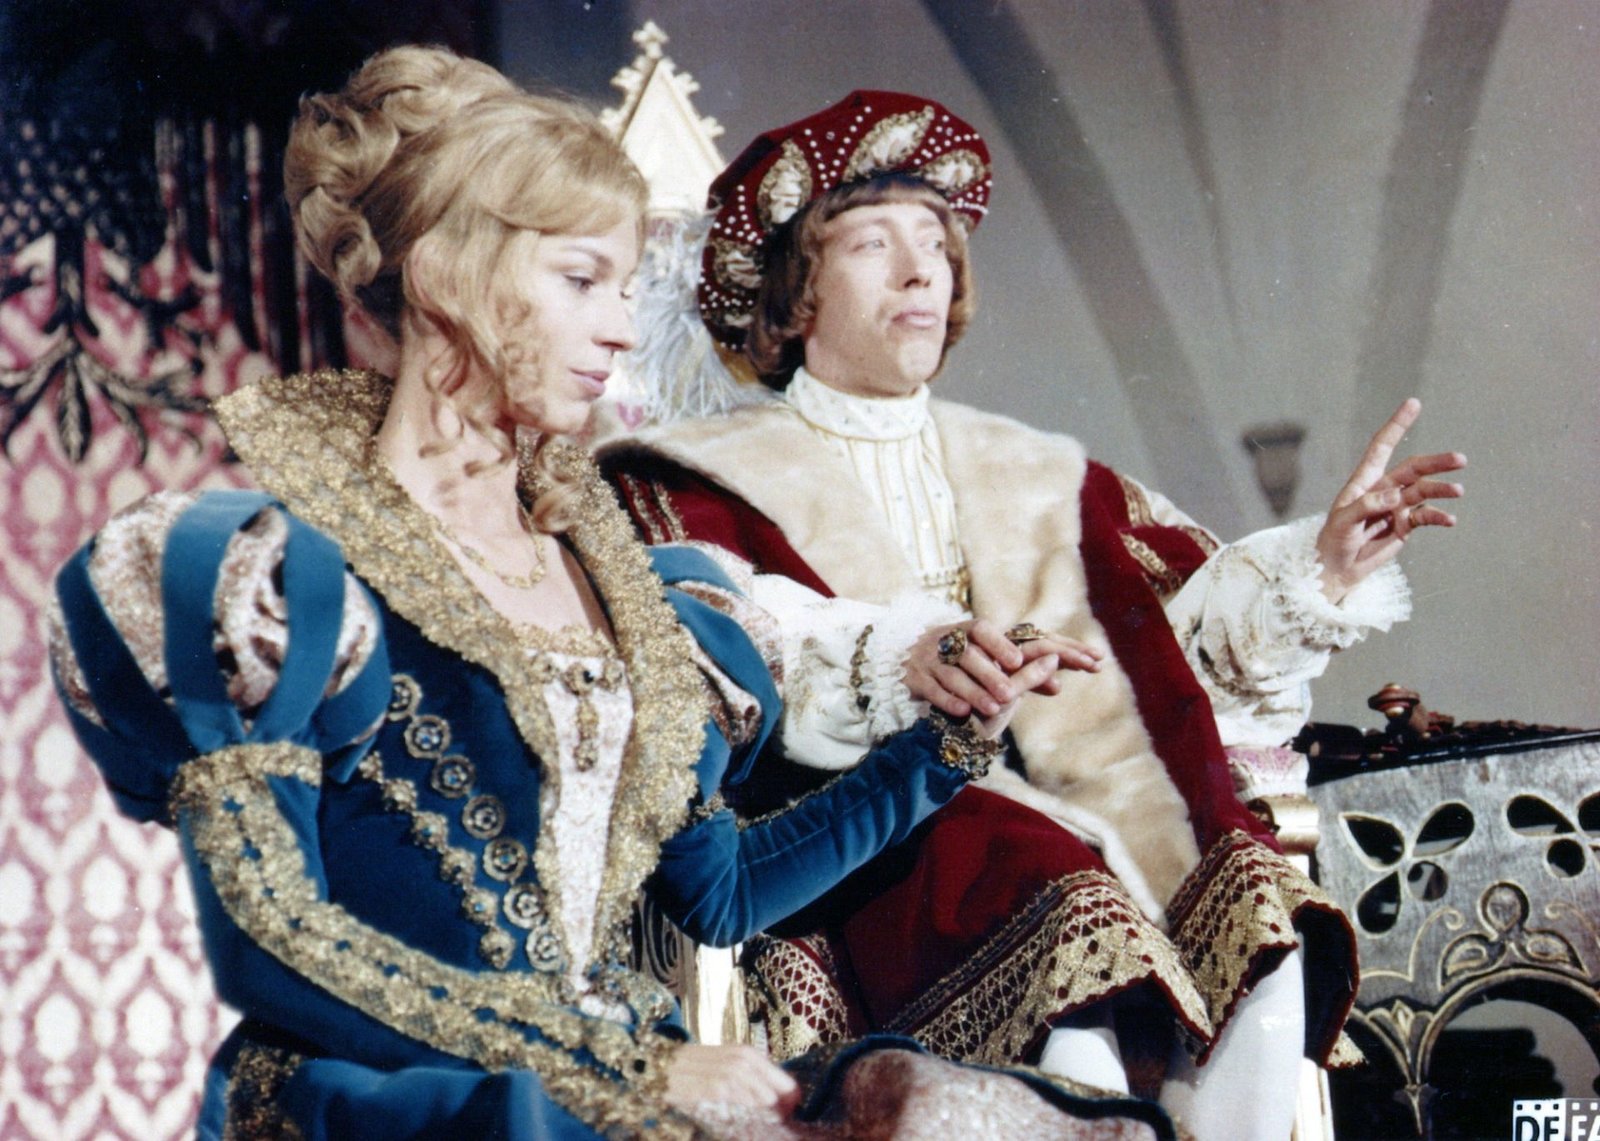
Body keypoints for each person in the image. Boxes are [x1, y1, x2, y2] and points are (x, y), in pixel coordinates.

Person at [46, 56, 1182, 1140]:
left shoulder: (631, 585)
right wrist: (611, 1065)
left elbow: (721, 892)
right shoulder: (274, 578)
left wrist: (940, 748)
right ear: (446, 277)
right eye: (582, 280)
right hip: (406, 1105)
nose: (624, 330)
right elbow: (267, 940)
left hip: (621, 1083)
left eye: (629, 289)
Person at [600, 90, 1466, 1140]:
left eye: (936, 243)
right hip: (880, 841)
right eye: (873, 244)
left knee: (1264, 961)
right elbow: (737, 658)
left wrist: (1318, 570)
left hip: (1076, 823)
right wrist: (908, 670)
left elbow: (1167, 665)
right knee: (1070, 966)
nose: (921, 271)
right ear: (792, 295)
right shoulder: (693, 480)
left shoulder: (1038, 473)